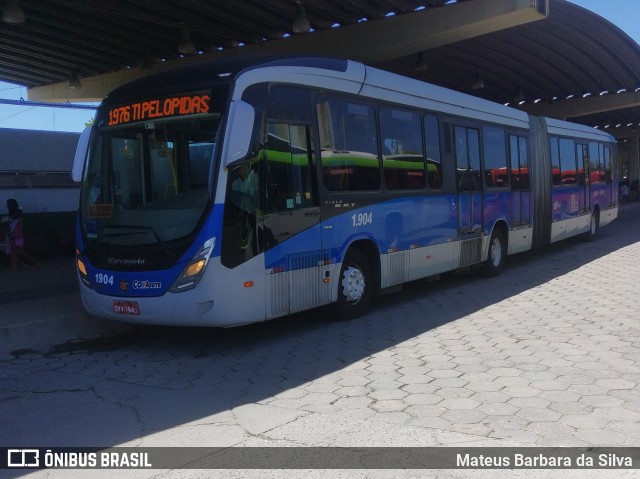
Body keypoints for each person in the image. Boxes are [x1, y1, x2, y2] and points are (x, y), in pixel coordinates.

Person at [5, 199, 39, 270]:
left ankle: (32, 263)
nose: (7, 205)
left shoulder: (16, 213)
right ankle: (21, 265)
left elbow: (20, 224)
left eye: (8, 204)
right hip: (13, 234)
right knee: (17, 251)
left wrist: (17, 233)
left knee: (17, 251)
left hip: (16, 234)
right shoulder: (14, 213)